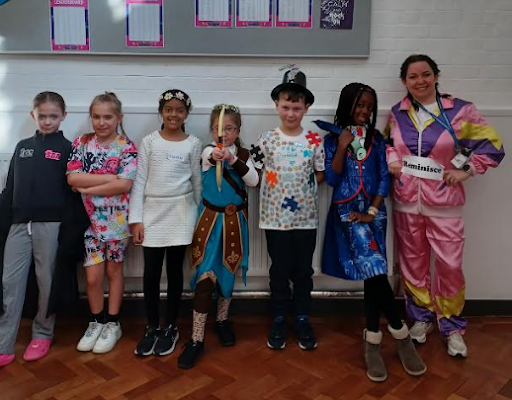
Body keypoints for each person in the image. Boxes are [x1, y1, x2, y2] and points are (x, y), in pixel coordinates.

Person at [385, 54, 505, 357]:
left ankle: (452, 326)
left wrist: (466, 170)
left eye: (426, 74)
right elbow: (387, 144)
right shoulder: (396, 113)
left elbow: (493, 145)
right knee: (412, 266)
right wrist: (393, 160)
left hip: (445, 204)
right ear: (404, 82)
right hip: (407, 204)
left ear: (436, 76)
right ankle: (421, 319)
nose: (420, 81)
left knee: (450, 268)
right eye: (413, 77)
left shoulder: (461, 110)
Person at [318, 83, 426, 382]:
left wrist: (373, 211)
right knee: (375, 270)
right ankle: (401, 335)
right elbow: (331, 177)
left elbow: (382, 179)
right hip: (347, 212)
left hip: (374, 213)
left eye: (368, 106)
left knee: (373, 275)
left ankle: (373, 340)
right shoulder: (332, 139)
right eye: (358, 106)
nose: (364, 111)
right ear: (347, 107)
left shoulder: (378, 141)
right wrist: (342, 144)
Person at [178, 104, 259, 369]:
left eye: (229, 128)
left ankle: (223, 321)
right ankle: (196, 339)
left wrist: (235, 160)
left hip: (235, 223)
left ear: (238, 130)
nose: (223, 133)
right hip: (209, 224)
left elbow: (254, 181)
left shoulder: (245, 154)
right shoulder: (207, 151)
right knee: (205, 278)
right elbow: (212, 158)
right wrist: (219, 155)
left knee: (228, 272)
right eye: (218, 128)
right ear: (211, 129)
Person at [252, 68, 325, 351]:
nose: (291, 113)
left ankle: (303, 318)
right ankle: (280, 317)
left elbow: (320, 174)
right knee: (279, 270)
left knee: (303, 271)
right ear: (277, 105)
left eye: (297, 107)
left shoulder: (314, 141)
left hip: (305, 220)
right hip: (275, 220)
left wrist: (299, 186)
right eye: (286, 106)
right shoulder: (266, 140)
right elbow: (254, 175)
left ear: (306, 108)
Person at [0, 92, 71, 367]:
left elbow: (71, 191)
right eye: (42, 116)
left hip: (50, 225)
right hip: (19, 224)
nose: (47, 121)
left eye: (53, 116)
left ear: (63, 116)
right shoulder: (22, 147)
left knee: (46, 281)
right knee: (10, 282)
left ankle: (43, 333)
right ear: (33, 115)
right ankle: (5, 341)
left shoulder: (67, 148)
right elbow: (9, 188)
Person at [129, 89, 202, 357]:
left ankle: (171, 326)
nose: (173, 114)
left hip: (182, 212)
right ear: (161, 111)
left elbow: (197, 183)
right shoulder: (149, 142)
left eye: (179, 110)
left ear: (186, 114)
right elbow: (139, 183)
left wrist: (199, 221)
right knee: (151, 273)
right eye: (168, 109)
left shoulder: (193, 143)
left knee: (174, 272)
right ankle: (151, 326)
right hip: (152, 212)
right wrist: (136, 219)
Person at [67, 92, 138, 354]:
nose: (101, 122)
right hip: (89, 223)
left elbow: (125, 184)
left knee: (113, 272)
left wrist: (88, 185)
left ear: (118, 118)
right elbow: (72, 179)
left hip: (118, 221)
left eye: (108, 117)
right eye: (96, 116)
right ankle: (96, 320)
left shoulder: (127, 147)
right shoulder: (82, 142)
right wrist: (109, 179)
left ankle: (113, 322)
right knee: (93, 277)